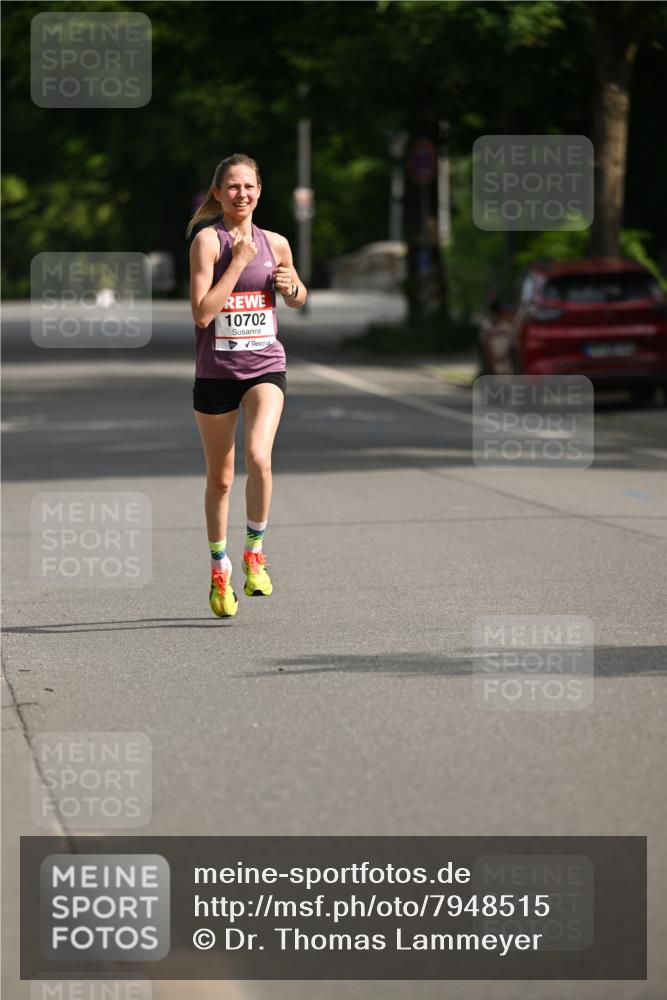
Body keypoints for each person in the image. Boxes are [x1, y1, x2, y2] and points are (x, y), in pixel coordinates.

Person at [187, 154, 307, 618]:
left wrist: (292, 285)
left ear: (260, 191)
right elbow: (201, 313)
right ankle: (220, 571)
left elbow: (296, 299)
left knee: (259, 455)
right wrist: (237, 262)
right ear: (217, 193)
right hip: (215, 372)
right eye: (232, 187)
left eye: (249, 186)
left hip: (264, 366)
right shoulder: (207, 243)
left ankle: (254, 553)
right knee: (220, 477)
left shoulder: (276, 242)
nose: (242, 194)